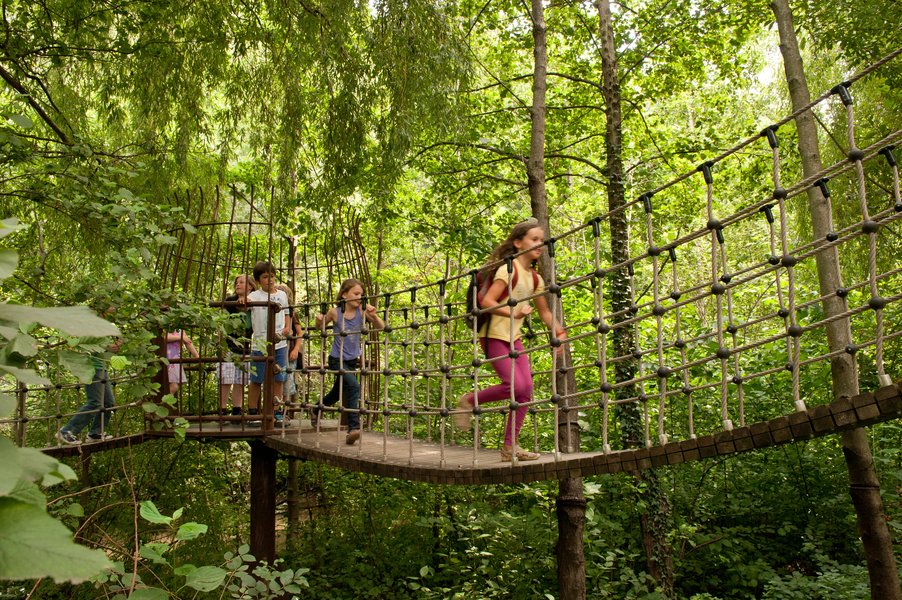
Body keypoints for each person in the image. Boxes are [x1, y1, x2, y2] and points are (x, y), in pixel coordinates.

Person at [454, 220, 568, 462]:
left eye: (541, 240)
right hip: (493, 335)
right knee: (514, 386)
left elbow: (544, 312)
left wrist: (559, 332)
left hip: (514, 339)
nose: (540, 244)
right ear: (518, 243)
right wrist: (513, 312)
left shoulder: (534, 278)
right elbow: (487, 301)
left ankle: (509, 447)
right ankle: (469, 400)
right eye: (534, 239)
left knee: (525, 390)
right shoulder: (509, 269)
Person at [315, 278, 384, 445]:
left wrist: (373, 315)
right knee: (353, 386)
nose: (360, 296)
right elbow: (320, 326)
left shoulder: (362, 311)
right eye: (356, 293)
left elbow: (381, 327)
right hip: (336, 359)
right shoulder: (335, 312)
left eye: (361, 294)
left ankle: (316, 408)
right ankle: (353, 428)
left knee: (337, 393)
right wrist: (319, 320)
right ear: (345, 295)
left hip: (352, 360)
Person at [57, 309, 123, 445]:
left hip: (101, 366)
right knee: (95, 403)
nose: (115, 308)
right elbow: (83, 342)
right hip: (91, 367)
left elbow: (106, 345)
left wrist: (114, 346)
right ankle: (66, 431)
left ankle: (95, 433)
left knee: (108, 402)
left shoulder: (106, 324)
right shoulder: (90, 321)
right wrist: (108, 346)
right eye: (110, 305)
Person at [247, 261, 291, 422]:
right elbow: (244, 305)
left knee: (278, 378)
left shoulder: (282, 295)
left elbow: (287, 313)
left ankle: (276, 410)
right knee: (257, 379)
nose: (270, 280)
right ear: (258, 280)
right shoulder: (254, 296)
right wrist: (242, 302)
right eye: (265, 277)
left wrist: (287, 327)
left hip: (279, 343)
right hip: (260, 344)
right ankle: (252, 412)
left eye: (272, 276)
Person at [218, 274, 255, 416]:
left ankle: (237, 409)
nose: (237, 285)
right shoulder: (230, 301)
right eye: (236, 283)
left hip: (245, 347)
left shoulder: (255, 301)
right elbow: (222, 324)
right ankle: (222, 410)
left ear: (250, 286)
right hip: (229, 345)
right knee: (226, 379)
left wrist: (248, 303)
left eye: (241, 282)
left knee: (240, 379)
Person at [276, 283, 304, 413]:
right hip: (275, 351)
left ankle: (285, 411)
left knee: (287, 381)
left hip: (289, 353)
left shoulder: (292, 312)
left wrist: (296, 349)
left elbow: (300, 333)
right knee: (276, 380)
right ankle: (275, 409)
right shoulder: (272, 311)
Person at [166, 329, 200, 396]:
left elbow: (187, 342)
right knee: (173, 386)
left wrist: (197, 356)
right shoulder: (164, 324)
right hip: (166, 359)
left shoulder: (180, 329)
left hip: (175, 360)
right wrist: (180, 337)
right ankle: (162, 404)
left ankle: (162, 403)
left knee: (175, 385)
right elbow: (163, 338)